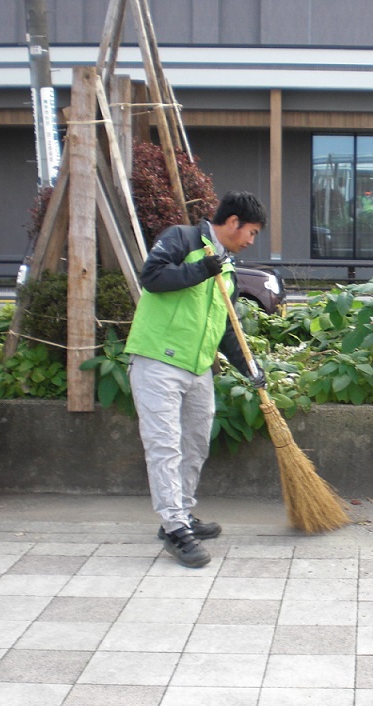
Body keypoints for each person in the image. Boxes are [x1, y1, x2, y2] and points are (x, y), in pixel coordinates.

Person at [124, 191, 268, 567]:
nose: (251, 241)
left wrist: (249, 367)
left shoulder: (228, 269)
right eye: (251, 232)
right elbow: (152, 277)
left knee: (195, 443)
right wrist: (204, 268)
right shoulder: (182, 239)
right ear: (233, 222)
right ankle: (174, 529)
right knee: (165, 447)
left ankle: (182, 514)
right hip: (157, 361)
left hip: (198, 368)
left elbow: (226, 328)